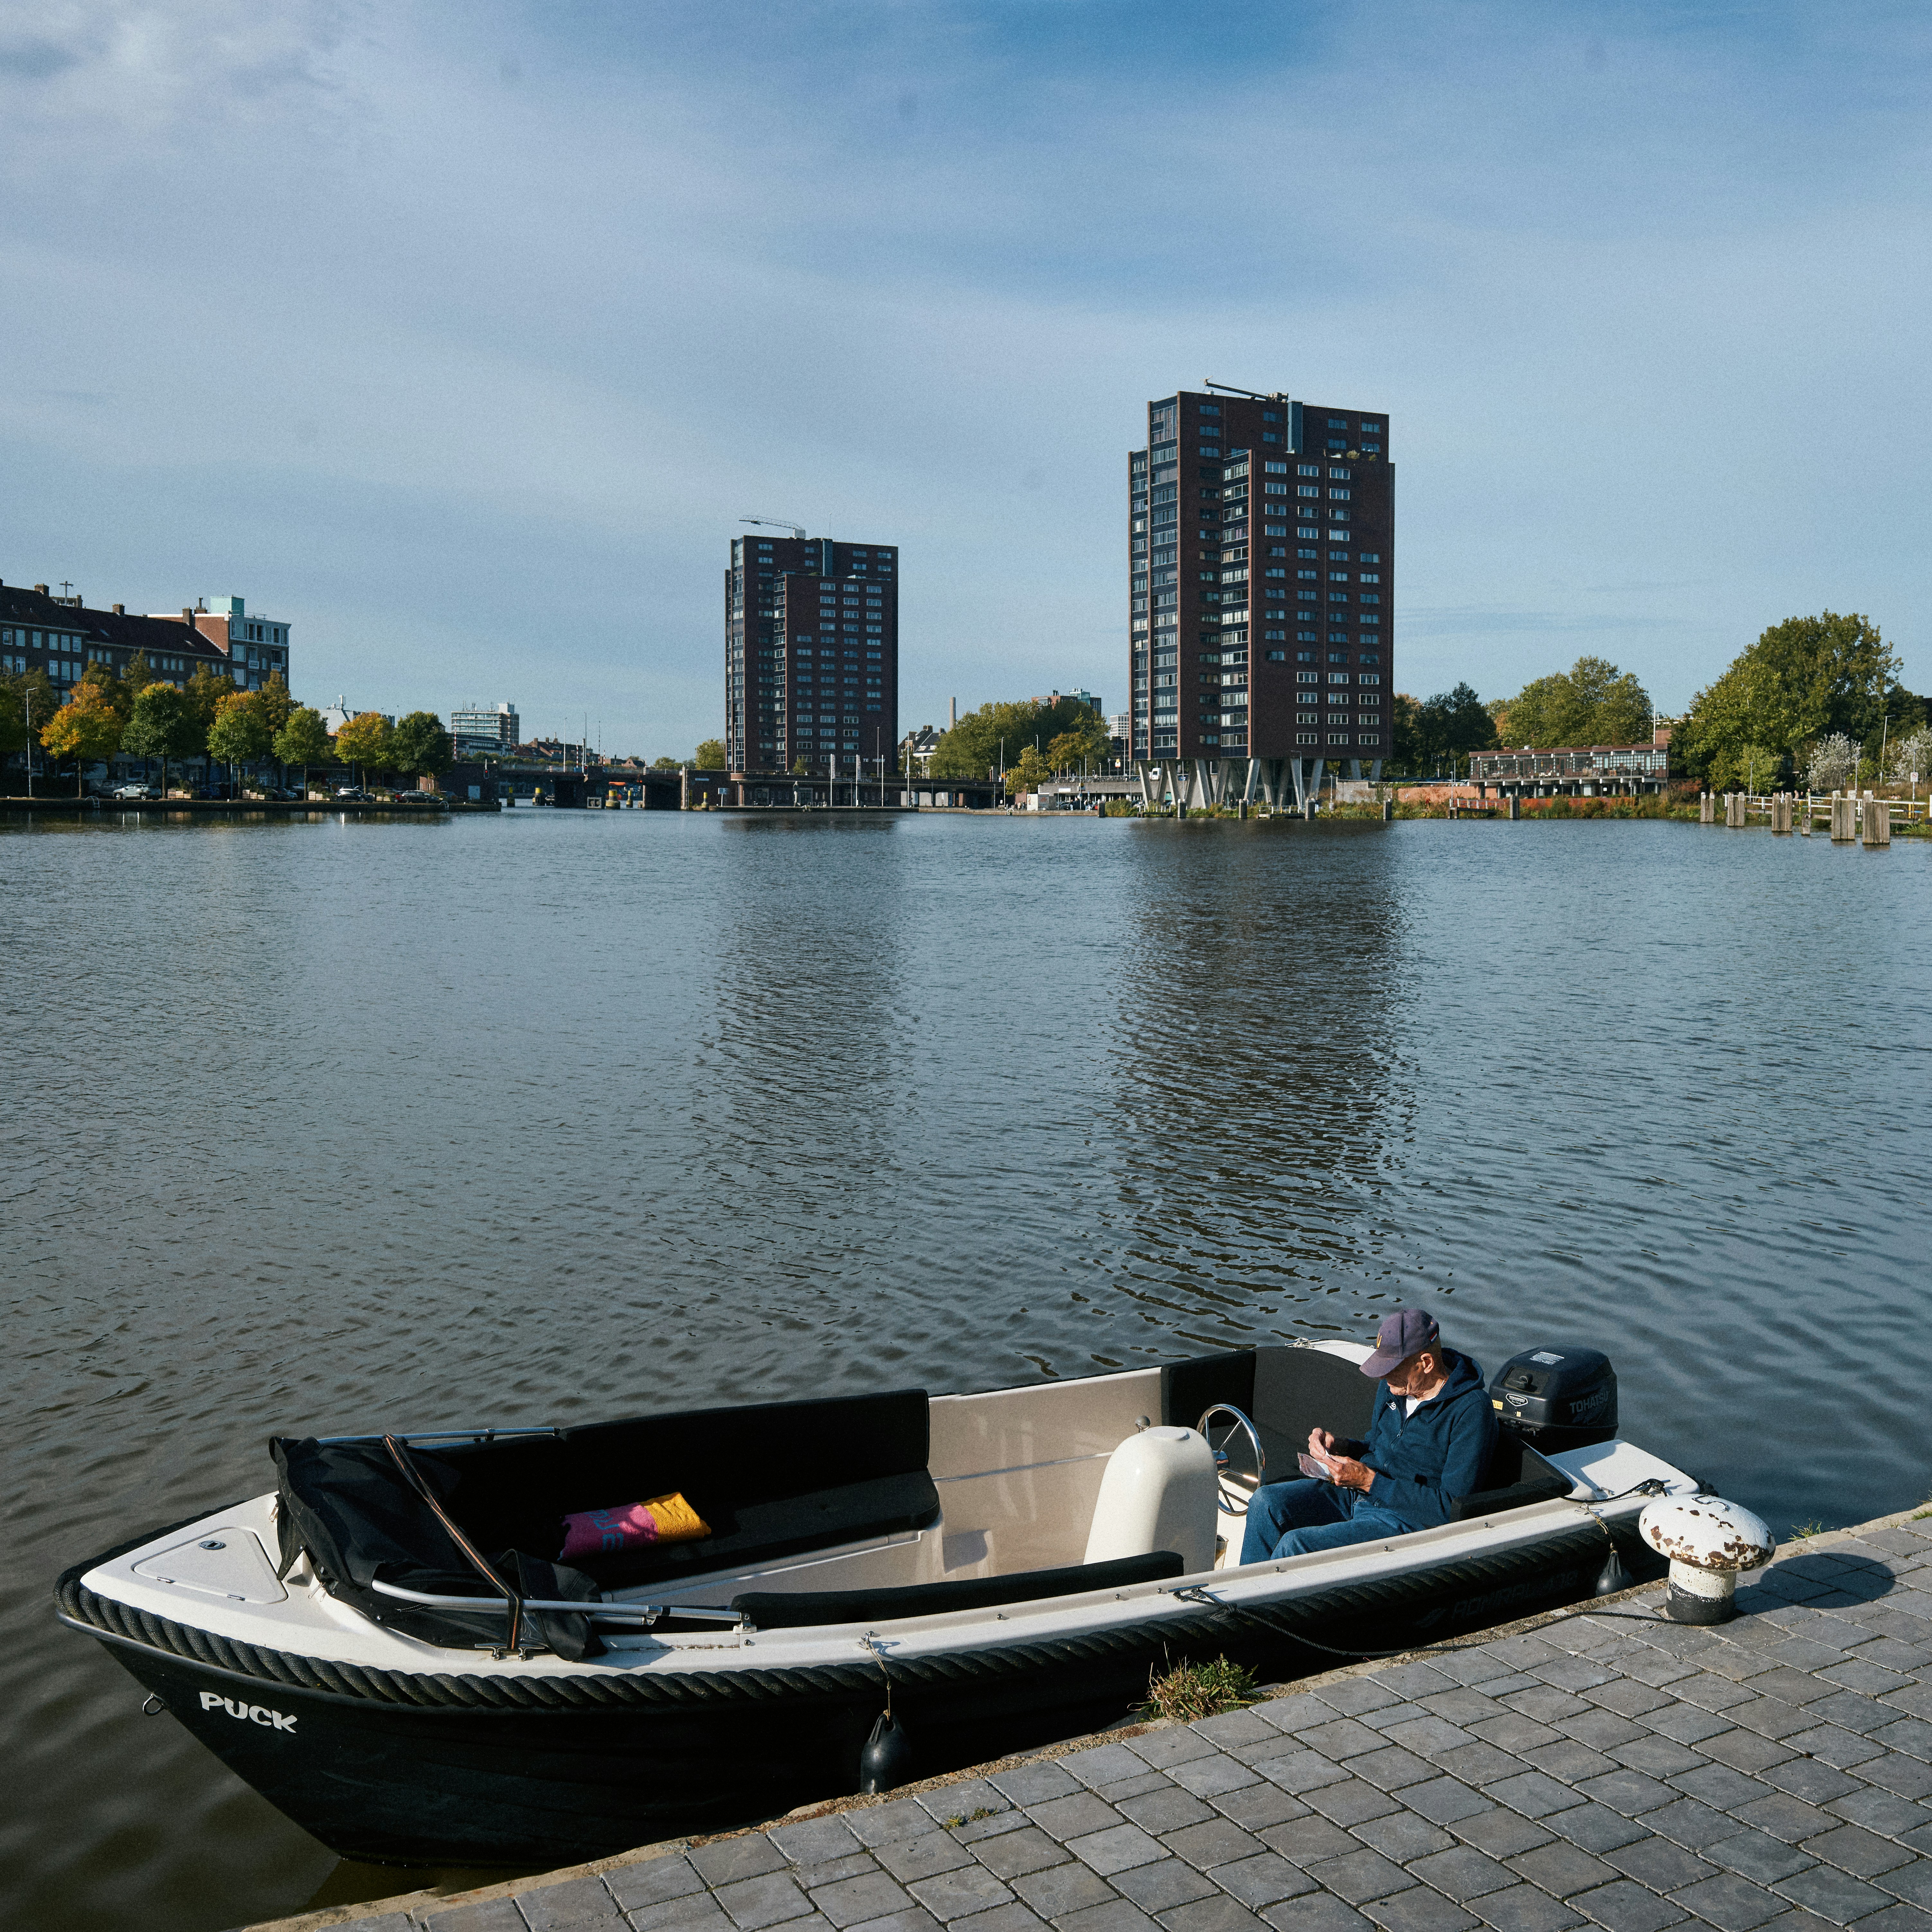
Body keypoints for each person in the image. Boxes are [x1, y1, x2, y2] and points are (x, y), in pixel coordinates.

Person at [1240, 1308, 1497, 1564]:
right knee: (1265, 1503)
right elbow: (1376, 1447)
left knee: (1296, 1545)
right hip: (1360, 1494)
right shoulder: (1395, 1387)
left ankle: (1259, 1603)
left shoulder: (1472, 1410)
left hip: (1407, 1520)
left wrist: (1369, 1482)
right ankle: (1240, 1599)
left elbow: (1452, 1508)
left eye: (1392, 1368)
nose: (1383, 1377)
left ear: (1426, 1363)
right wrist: (1341, 1447)